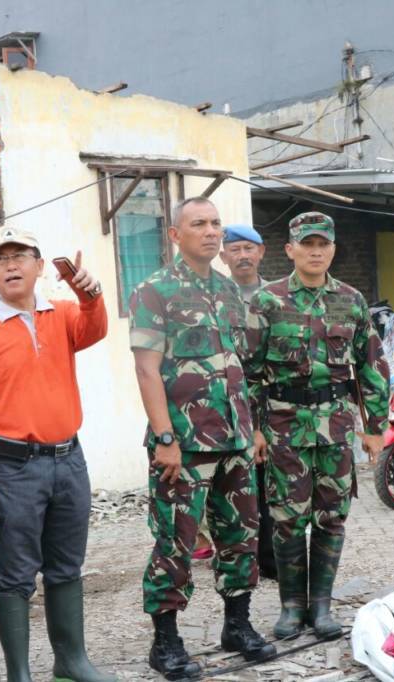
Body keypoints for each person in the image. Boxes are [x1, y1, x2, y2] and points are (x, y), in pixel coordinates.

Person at [0, 225, 114, 682]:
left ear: (41, 267)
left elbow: (94, 329)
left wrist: (90, 294)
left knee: (67, 565)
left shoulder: (62, 314)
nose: (11, 265)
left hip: (69, 461)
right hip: (13, 469)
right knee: (16, 575)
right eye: (1, 259)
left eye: (21, 256)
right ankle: (19, 674)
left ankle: (71, 661)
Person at [130, 197, 275, 680]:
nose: (211, 233)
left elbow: (243, 369)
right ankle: (166, 643)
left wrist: (252, 429)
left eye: (216, 224)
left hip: (235, 439)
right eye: (199, 224)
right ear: (175, 235)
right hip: (185, 444)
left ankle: (238, 625)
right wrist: (164, 436)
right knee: (176, 541)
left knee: (241, 535)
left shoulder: (231, 292)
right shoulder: (156, 290)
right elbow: (147, 370)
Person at [244, 211, 388, 641]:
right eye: (307, 244)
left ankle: (321, 607)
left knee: (332, 516)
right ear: (290, 250)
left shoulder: (351, 300)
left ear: (333, 250)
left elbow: (371, 368)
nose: (315, 251)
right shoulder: (266, 302)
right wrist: (253, 429)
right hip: (283, 426)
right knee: (287, 519)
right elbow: (248, 372)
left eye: (322, 244)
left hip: (337, 426)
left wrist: (375, 426)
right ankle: (291, 607)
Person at [212, 224, 277, 580]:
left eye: (248, 248)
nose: (242, 256)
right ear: (224, 256)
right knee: (228, 488)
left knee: (269, 486)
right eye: (234, 250)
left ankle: (267, 558)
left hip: (273, 407)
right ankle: (232, 559)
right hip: (226, 408)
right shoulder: (216, 297)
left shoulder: (277, 296)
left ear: (261, 252)